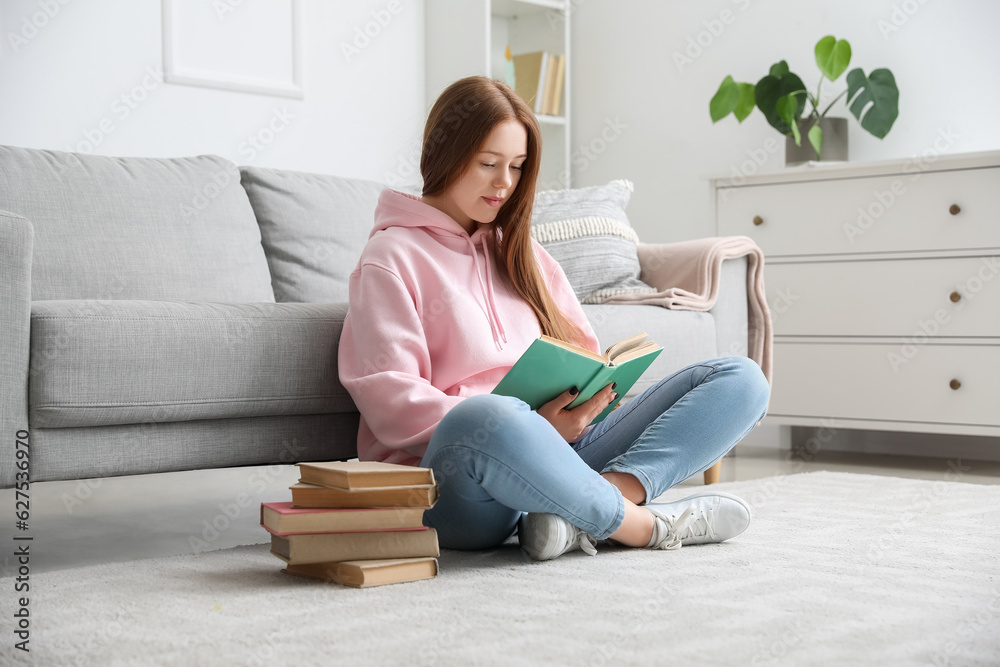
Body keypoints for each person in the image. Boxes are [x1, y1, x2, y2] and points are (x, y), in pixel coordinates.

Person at [338, 76, 770, 561]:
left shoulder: (525, 254)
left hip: (563, 454)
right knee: (487, 415)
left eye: (517, 167)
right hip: (459, 484)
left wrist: (584, 405)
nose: (504, 182)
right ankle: (642, 526)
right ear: (442, 154)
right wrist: (529, 427)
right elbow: (389, 396)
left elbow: (582, 354)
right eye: (488, 164)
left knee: (740, 378)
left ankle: (568, 515)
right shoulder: (390, 256)